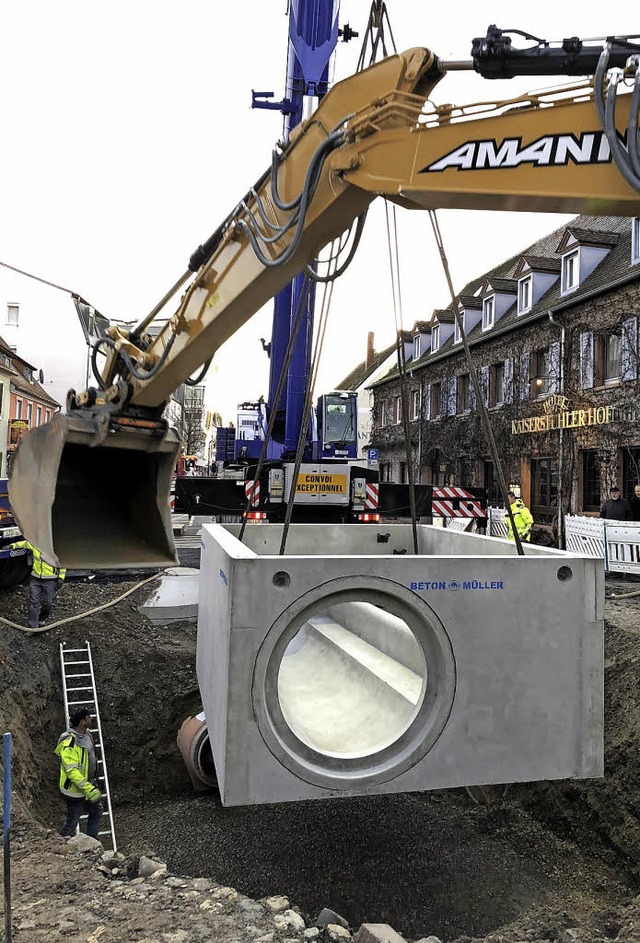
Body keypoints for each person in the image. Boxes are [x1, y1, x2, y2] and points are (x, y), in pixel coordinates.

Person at [55, 706, 103, 840]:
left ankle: (91, 842)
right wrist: (88, 789)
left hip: (88, 785)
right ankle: (58, 844)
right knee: (72, 823)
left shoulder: (87, 734)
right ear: (82, 721)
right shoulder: (69, 743)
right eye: (88, 717)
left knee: (97, 811)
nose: (91, 719)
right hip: (74, 792)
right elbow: (72, 771)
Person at [5, 539, 66, 629]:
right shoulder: (35, 546)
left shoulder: (55, 550)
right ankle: (33, 627)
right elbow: (25, 544)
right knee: (34, 602)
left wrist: (61, 578)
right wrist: (12, 546)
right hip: (35, 579)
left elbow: (62, 564)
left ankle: (42, 619)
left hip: (50, 580)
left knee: (48, 603)